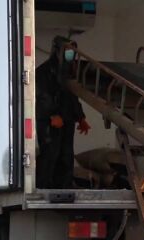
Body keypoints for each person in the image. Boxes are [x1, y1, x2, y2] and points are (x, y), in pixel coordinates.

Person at [36, 36, 91, 189]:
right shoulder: (44, 72)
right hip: (50, 121)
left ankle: (64, 185)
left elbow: (73, 97)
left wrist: (80, 118)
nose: (70, 55)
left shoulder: (68, 74)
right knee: (51, 153)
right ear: (58, 51)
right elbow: (42, 95)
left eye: (72, 52)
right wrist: (52, 115)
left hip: (66, 120)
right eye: (67, 51)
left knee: (66, 154)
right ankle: (44, 185)